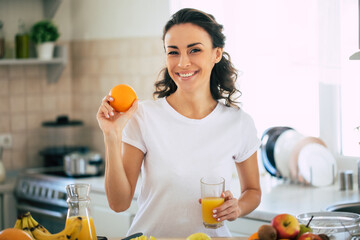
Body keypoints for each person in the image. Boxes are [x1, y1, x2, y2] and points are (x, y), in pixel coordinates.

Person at [96, 8, 261, 238]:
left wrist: (238, 207)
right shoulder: (144, 116)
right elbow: (119, 203)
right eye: (173, 52)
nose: (183, 63)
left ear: (216, 54)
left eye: (194, 50)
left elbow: (252, 191)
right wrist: (111, 135)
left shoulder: (238, 123)